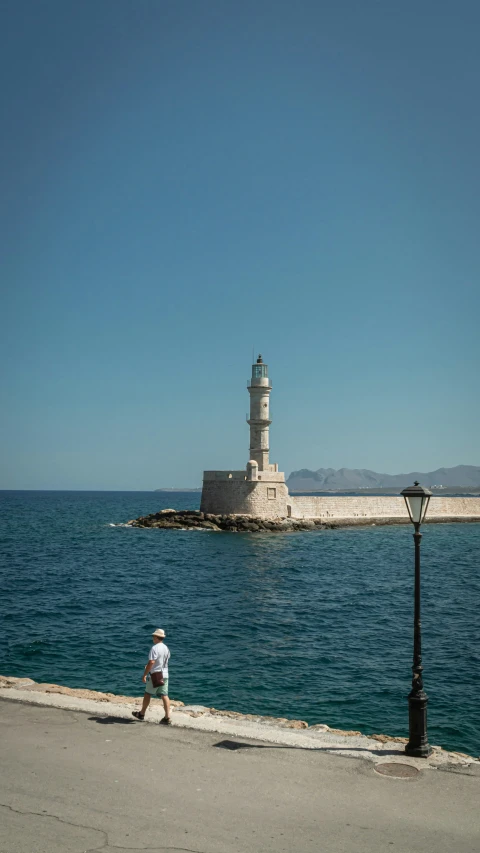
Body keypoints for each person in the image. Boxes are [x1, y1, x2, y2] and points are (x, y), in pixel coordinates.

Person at [132, 628, 171, 724]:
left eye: (153, 636)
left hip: (155, 675)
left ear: (157, 637)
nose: (152, 638)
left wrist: (145, 674)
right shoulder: (166, 648)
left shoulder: (155, 648)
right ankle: (167, 717)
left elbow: (151, 662)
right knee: (164, 695)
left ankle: (141, 714)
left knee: (147, 694)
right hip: (165, 674)